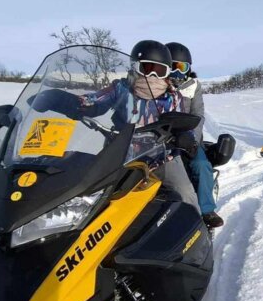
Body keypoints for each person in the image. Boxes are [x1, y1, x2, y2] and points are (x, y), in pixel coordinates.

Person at [73, 40, 200, 212]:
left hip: (161, 157)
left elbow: (182, 122)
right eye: (147, 68)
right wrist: (74, 102)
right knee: (91, 194)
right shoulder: (121, 89)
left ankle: (196, 222)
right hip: (119, 155)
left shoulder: (173, 97)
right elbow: (96, 100)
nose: (153, 76)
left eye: (159, 71)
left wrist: (185, 137)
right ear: (135, 67)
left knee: (185, 192)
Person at [166, 42, 223, 228]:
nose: (177, 72)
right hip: (160, 139)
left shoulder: (193, 86)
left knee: (201, 164)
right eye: (172, 66)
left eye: (181, 67)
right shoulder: (157, 85)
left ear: (188, 69)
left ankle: (207, 210)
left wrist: (190, 138)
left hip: (188, 138)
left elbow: (198, 115)